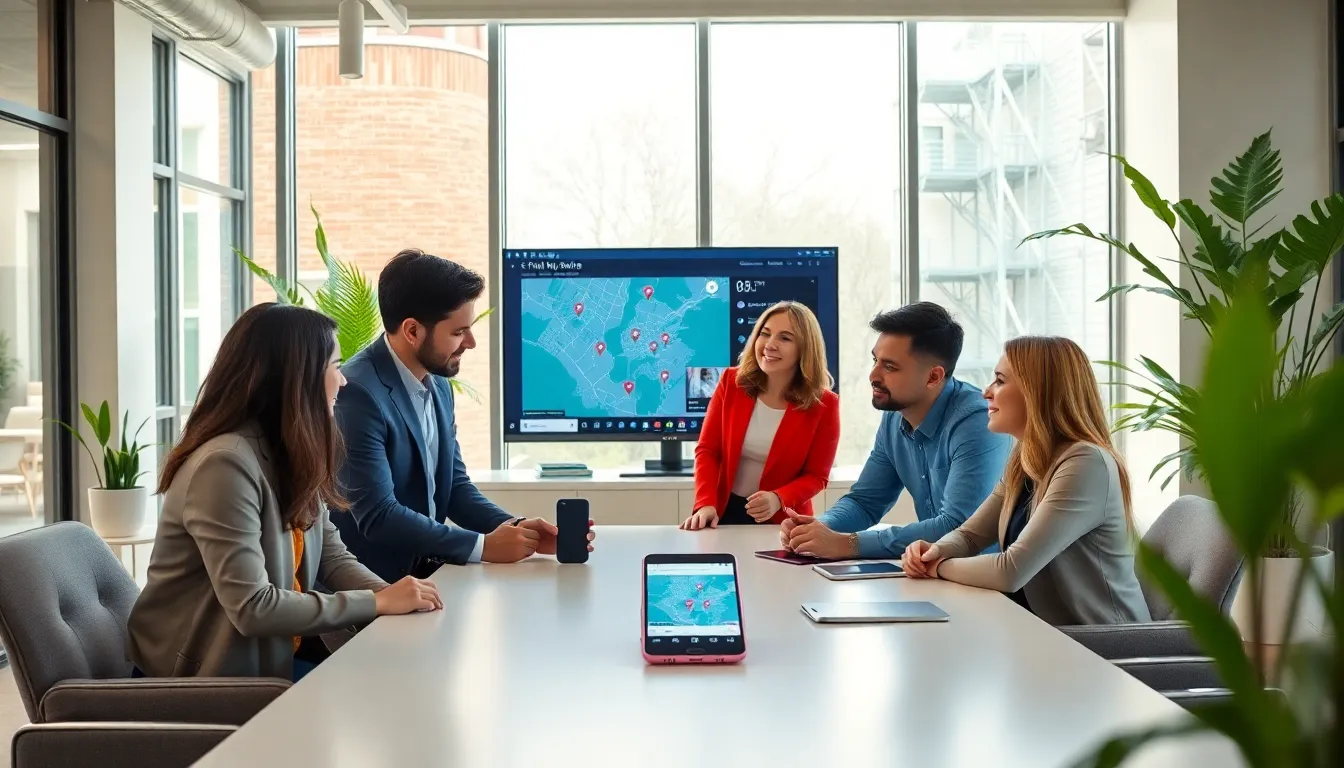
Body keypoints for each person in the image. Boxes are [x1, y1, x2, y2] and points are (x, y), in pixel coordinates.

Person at [126, 304, 443, 682]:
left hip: (266, 662)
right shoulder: (224, 465)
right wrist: (377, 602)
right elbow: (252, 607)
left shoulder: (286, 452)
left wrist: (403, 598)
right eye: (335, 367)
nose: (343, 381)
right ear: (298, 378)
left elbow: (333, 558)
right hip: (199, 683)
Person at [334, 249, 594, 582]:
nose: (470, 342)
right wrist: (483, 547)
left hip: (428, 578)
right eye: (458, 332)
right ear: (412, 331)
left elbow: (453, 488)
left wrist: (517, 530)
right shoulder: (357, 393)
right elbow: (378, 515)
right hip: (373, 589)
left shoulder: (438, 382)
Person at [901, 336, 1151, 626]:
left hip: (1105, 646)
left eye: (999, 381)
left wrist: (937, 567)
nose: (986, 392)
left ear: (1038, 392)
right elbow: (970, 536)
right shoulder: (1025, 460)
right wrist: (933, 551)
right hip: (1044, 634)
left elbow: (1010, 570)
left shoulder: (1086, 463)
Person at [784, 302, 1011, 560]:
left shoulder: (977, 421)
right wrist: (817, 528)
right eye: (875, 360)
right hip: (936, 572)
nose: (873, 375)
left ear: (933, 377)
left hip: (994, 585)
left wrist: (849, 545)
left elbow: (958, 527)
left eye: (889, 367)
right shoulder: (895, 417)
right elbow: (865, 502)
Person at [681, 301, 840, 530]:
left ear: (805, 349)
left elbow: (817, 476)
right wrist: (705, 503)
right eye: (764, 334)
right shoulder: (731, 383)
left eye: (785, 338)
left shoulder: (824, 405)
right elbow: (708, 450)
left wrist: (778, 498)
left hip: (782, 518)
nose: (770, 345)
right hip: (721, 511)